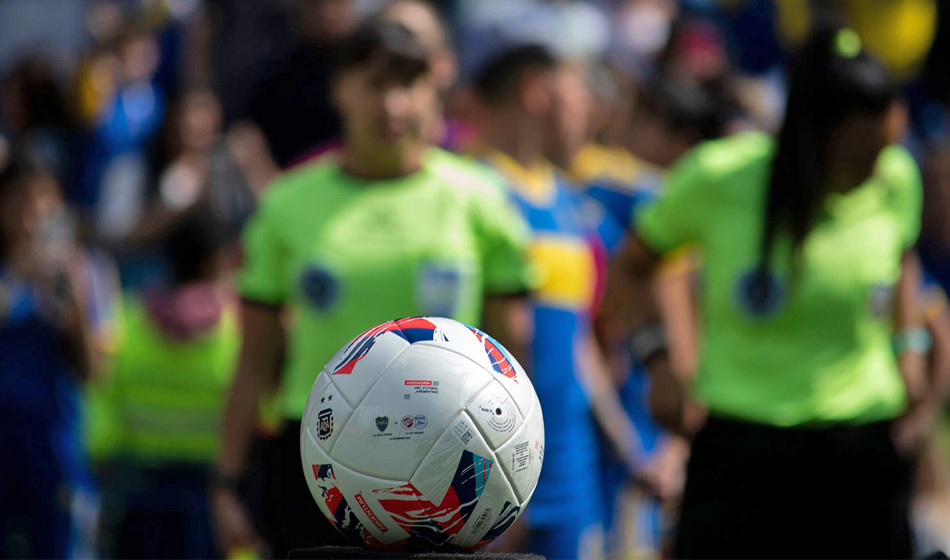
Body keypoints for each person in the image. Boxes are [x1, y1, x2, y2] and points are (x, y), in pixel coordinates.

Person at [212, 21, 534, 558]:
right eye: (374, 84)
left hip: (454, 460)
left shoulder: (480, 199)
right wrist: (224, 481)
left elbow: (515, 358)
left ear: (435, 91)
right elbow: (253, 357)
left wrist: (517, 481)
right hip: (319, 458)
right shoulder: (288, 203)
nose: (392, 105)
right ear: (339, 88)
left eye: (409, 84)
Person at [603, 27, 929, 557]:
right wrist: (656, 359)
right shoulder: (719, 176)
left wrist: (909, 343)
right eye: (863, 152)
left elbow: (904, 253)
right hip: (739, 449)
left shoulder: (896, 178)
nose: (877, 168)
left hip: (862, 448)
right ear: (815, 134)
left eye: (886, 149)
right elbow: (630, 269)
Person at [470, 43, 645, 560]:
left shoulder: (569, 202)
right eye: (577, 92)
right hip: (485, 470)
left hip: (572, 467)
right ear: (535, 92)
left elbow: (578, 343)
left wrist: (629, 447)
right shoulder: (471, 190)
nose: (591, 109)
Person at [86, 206, 239, 559]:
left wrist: (101, 456)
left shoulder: (127, 317)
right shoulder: (236, 327)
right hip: (212, 491)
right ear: (216, 260)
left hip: (136, 491)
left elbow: (102, 397)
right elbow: (261, 408)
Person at [0, 158, 107, 558]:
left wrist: (74, 306)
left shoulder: (85, 269)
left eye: (44, 203)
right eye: (20, 202)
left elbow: (93, 371)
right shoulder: (13, 271)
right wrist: (20, 273)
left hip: (56, 446)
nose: (31, 217)